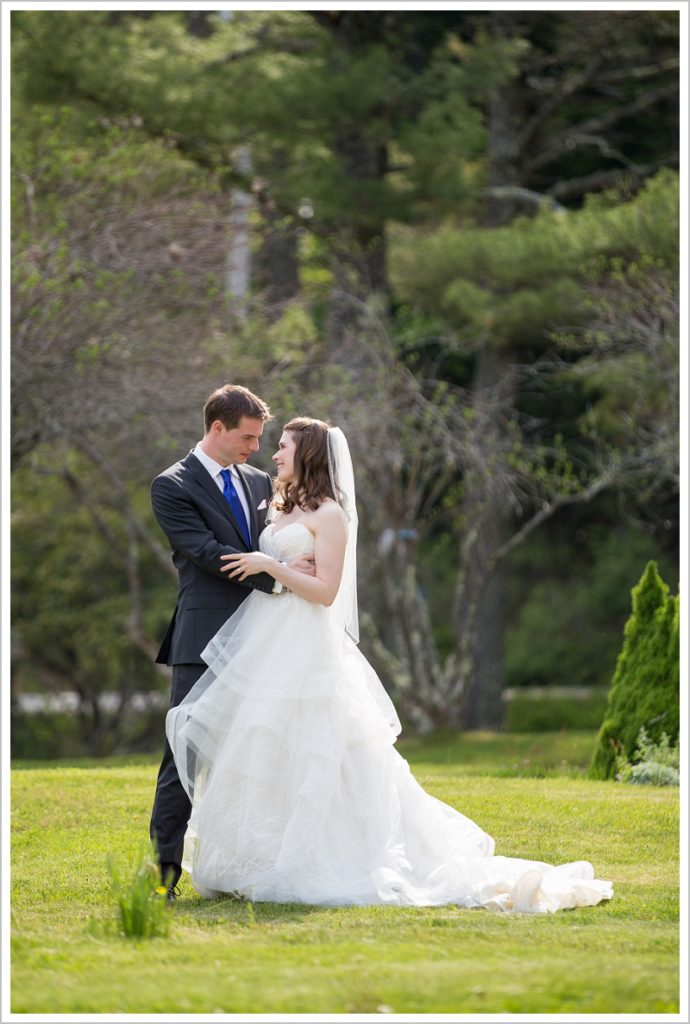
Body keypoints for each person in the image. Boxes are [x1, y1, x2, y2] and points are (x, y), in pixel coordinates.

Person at [166, 417, 613, 913]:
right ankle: (257, 859)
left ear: (308, 454)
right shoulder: (280, 506)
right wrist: (278, 564)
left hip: (306, 646)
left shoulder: (330, 515)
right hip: (266, 640)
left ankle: (329, 857)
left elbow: (327, 592)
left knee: (320, 749)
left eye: (284, 446)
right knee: (264, 748)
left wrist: (272, 566)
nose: (273, 454)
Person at [149, 386, 314, 898]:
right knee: (185, 752)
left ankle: (255, 864)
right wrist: (282, 577)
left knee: (262, 750)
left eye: (261, 439)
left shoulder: (261, 480)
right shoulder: (172, 485)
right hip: (203, 638)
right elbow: (205, 552)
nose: (254, 448)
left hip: (267, 636)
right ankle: (165, 875)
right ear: (217, 429)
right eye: (246, 437)